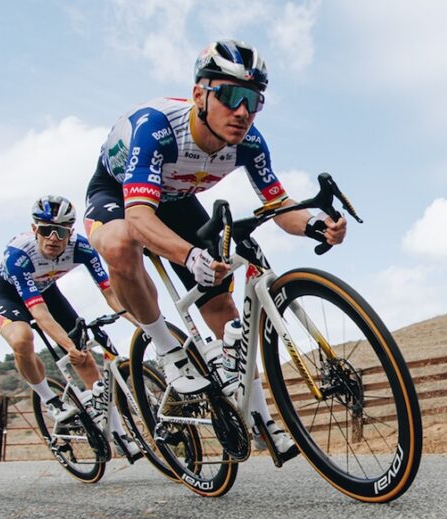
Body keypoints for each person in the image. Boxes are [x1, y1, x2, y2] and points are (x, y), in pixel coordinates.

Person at [83, 40, 346, 462]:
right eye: (230, 95)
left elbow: (278, 206)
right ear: (199, 94)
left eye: (253, 101)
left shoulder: (250, 143)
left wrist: (317, 224)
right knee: (121, 244)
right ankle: (167, 349)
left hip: (177, 201)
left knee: (222, 304)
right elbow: (140, 218)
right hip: (118, 196)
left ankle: (261, 420)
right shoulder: (157, 128)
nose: (242, 111)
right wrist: (190, 256)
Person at [0, 194, 140, 458]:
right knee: (23, 340)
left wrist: (144, 323)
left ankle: (119, 434)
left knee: (85, 359)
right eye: (46, 230)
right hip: (10, 297)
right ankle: (50, 400)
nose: (53, 238)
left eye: (60, 232)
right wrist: (68, 346)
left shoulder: (82, 248)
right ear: (35, 229)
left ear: (70, 232)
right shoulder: (18, 256)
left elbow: (110, 292)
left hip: (47, 292)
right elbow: (39, 312)